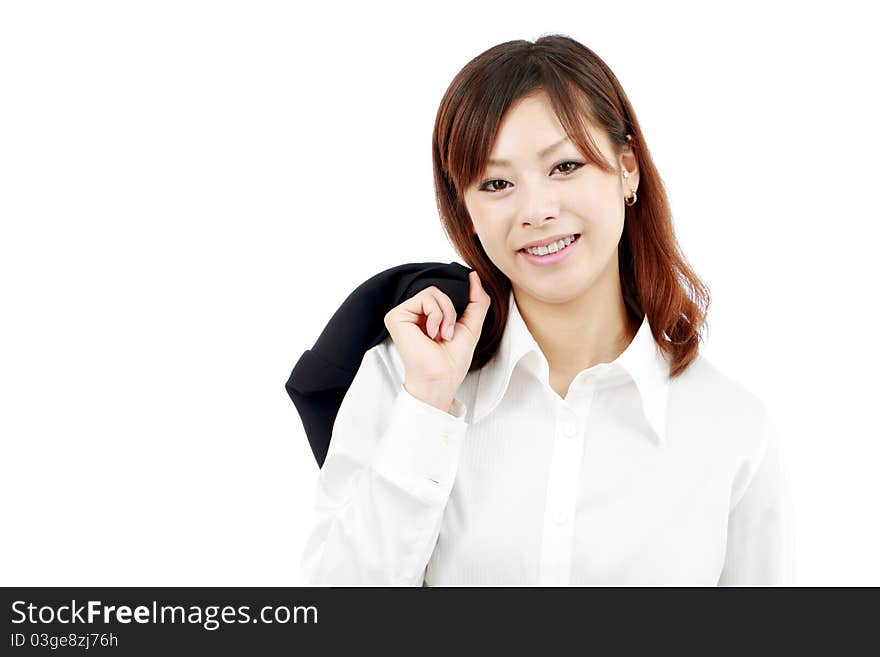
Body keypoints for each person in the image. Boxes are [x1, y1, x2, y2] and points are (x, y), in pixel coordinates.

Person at [298, 34, 795, 586]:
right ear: (466, 211)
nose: (536, 210)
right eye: (497, 182)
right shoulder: (402, 382)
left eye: (565, 166)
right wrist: (426, 405)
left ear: (627, 168)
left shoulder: (732, 429)